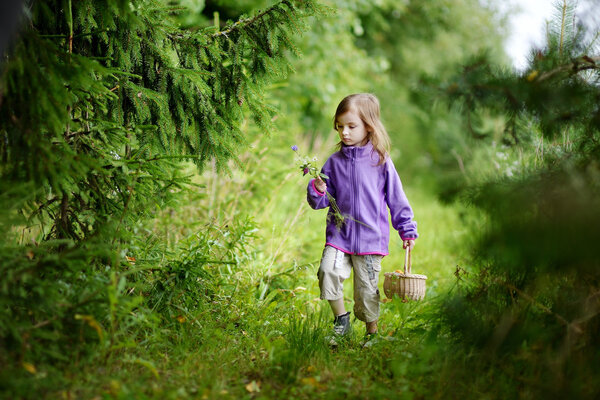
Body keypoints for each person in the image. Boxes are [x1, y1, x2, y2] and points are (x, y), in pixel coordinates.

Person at [306, 93, 418, 346]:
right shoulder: (333, 163)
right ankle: (341, 321)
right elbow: (319, 203)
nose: (344, 132)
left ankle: (372, 333)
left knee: (366, 291)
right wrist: (318, 189)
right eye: (340, 127)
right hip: (339, 235)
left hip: (370, 239)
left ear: (368, 125)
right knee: (327, 271)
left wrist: (407, 230)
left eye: (351, 126)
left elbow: (396, 198)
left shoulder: (380, 160)